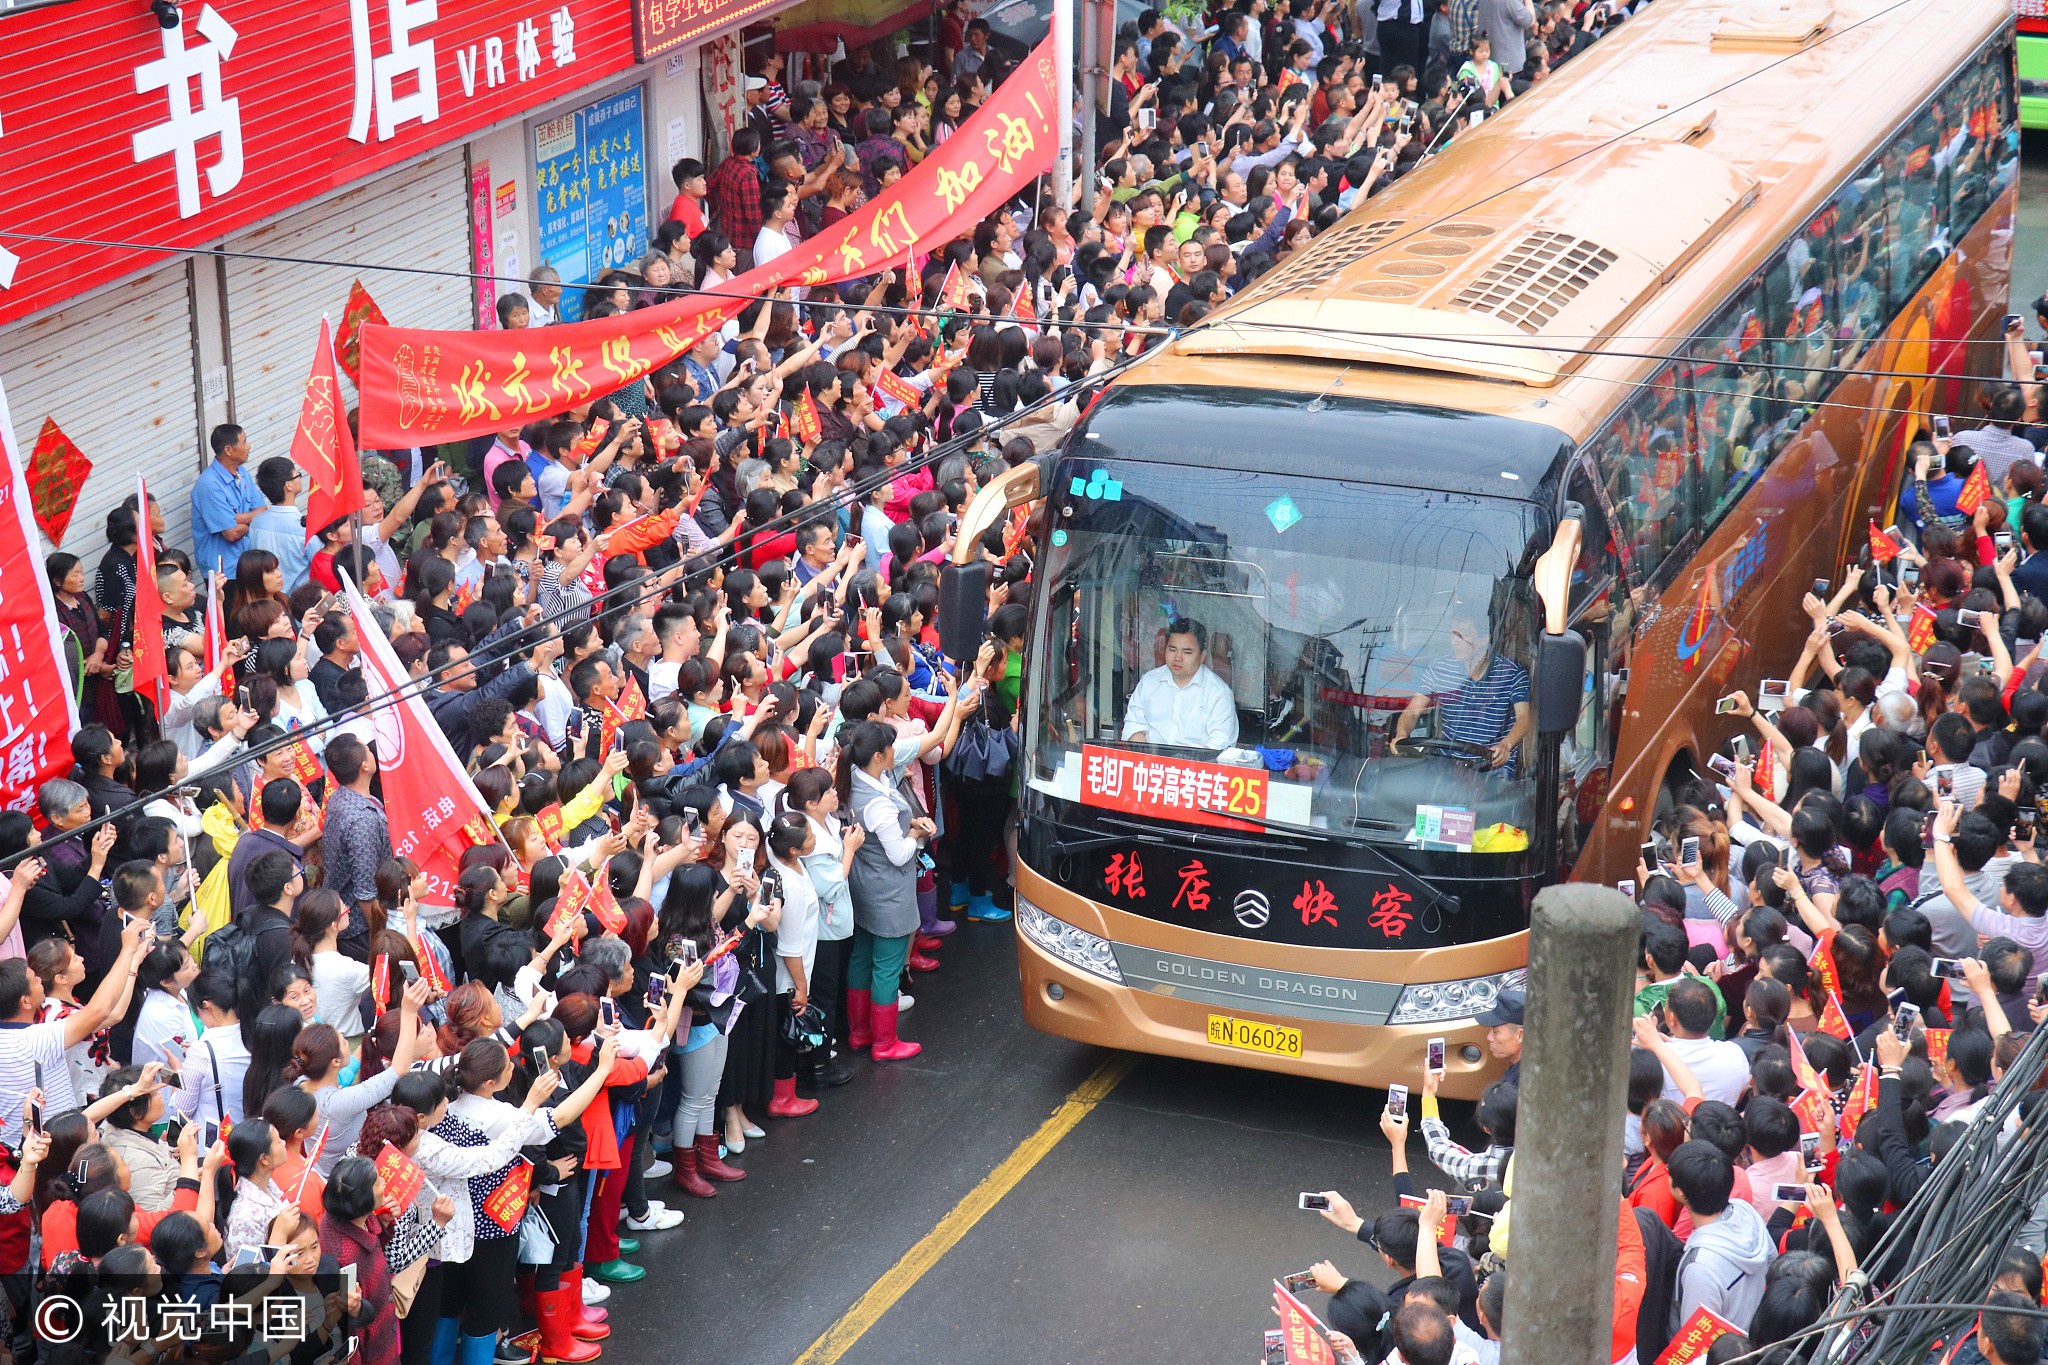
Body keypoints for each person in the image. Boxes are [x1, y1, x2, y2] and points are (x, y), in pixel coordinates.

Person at [1395, 611, 1531, 773]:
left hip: (1492, 768)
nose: (1454, 642)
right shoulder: (1440, 669)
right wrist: (1401, 735)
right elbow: (1411, 713)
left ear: (1484, 639)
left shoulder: (1512, 673)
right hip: (1447, 764)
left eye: (1461, 636)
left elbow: (1524, 718)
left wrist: (1506, 745)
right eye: (1452, 634)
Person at [1119, 618, 1238, 749]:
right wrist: (1147, 757)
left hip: (1196, 766)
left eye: (1187, 652)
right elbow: (1134, 725)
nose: (1177, 658)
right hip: (1152, 764)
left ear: (1202, 656)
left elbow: (1220, 744)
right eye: (1172, 649)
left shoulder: (1218, 693)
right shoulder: (1149, 682)